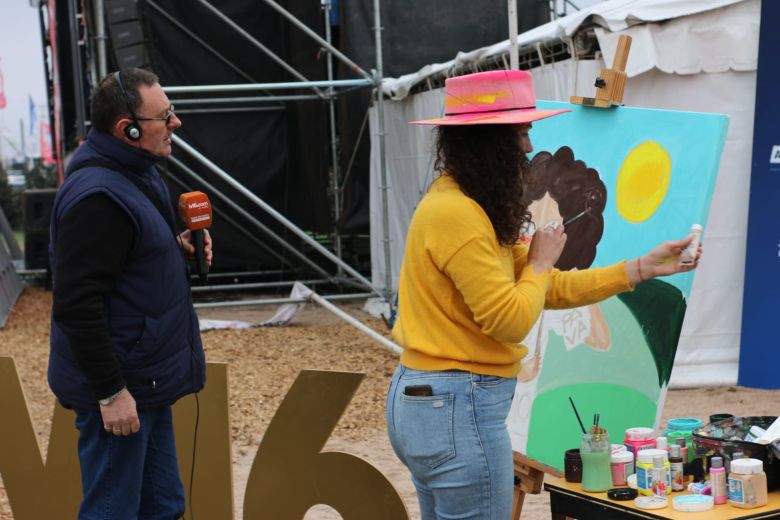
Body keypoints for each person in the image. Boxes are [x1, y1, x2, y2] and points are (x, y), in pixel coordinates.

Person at [385, 70, 701, 520]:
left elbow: (547, 288)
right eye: (522, 131)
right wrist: (537, 264)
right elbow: (511, 318)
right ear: (490, 141)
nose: (530, 146)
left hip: (439, 402)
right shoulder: (457, 213)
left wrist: (638, 270)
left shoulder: (464, 202)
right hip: (456, 405)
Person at [48, 67, 212, 519]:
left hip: (145, 382)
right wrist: (110, 393)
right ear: (129, 129)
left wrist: (171, 247)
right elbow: (76, 305)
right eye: (166, 116)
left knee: (163, 508)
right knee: (113, 510)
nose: (176, 123)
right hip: (123, 392)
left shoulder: (135, 171)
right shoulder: (99, 196)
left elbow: (124, 258)